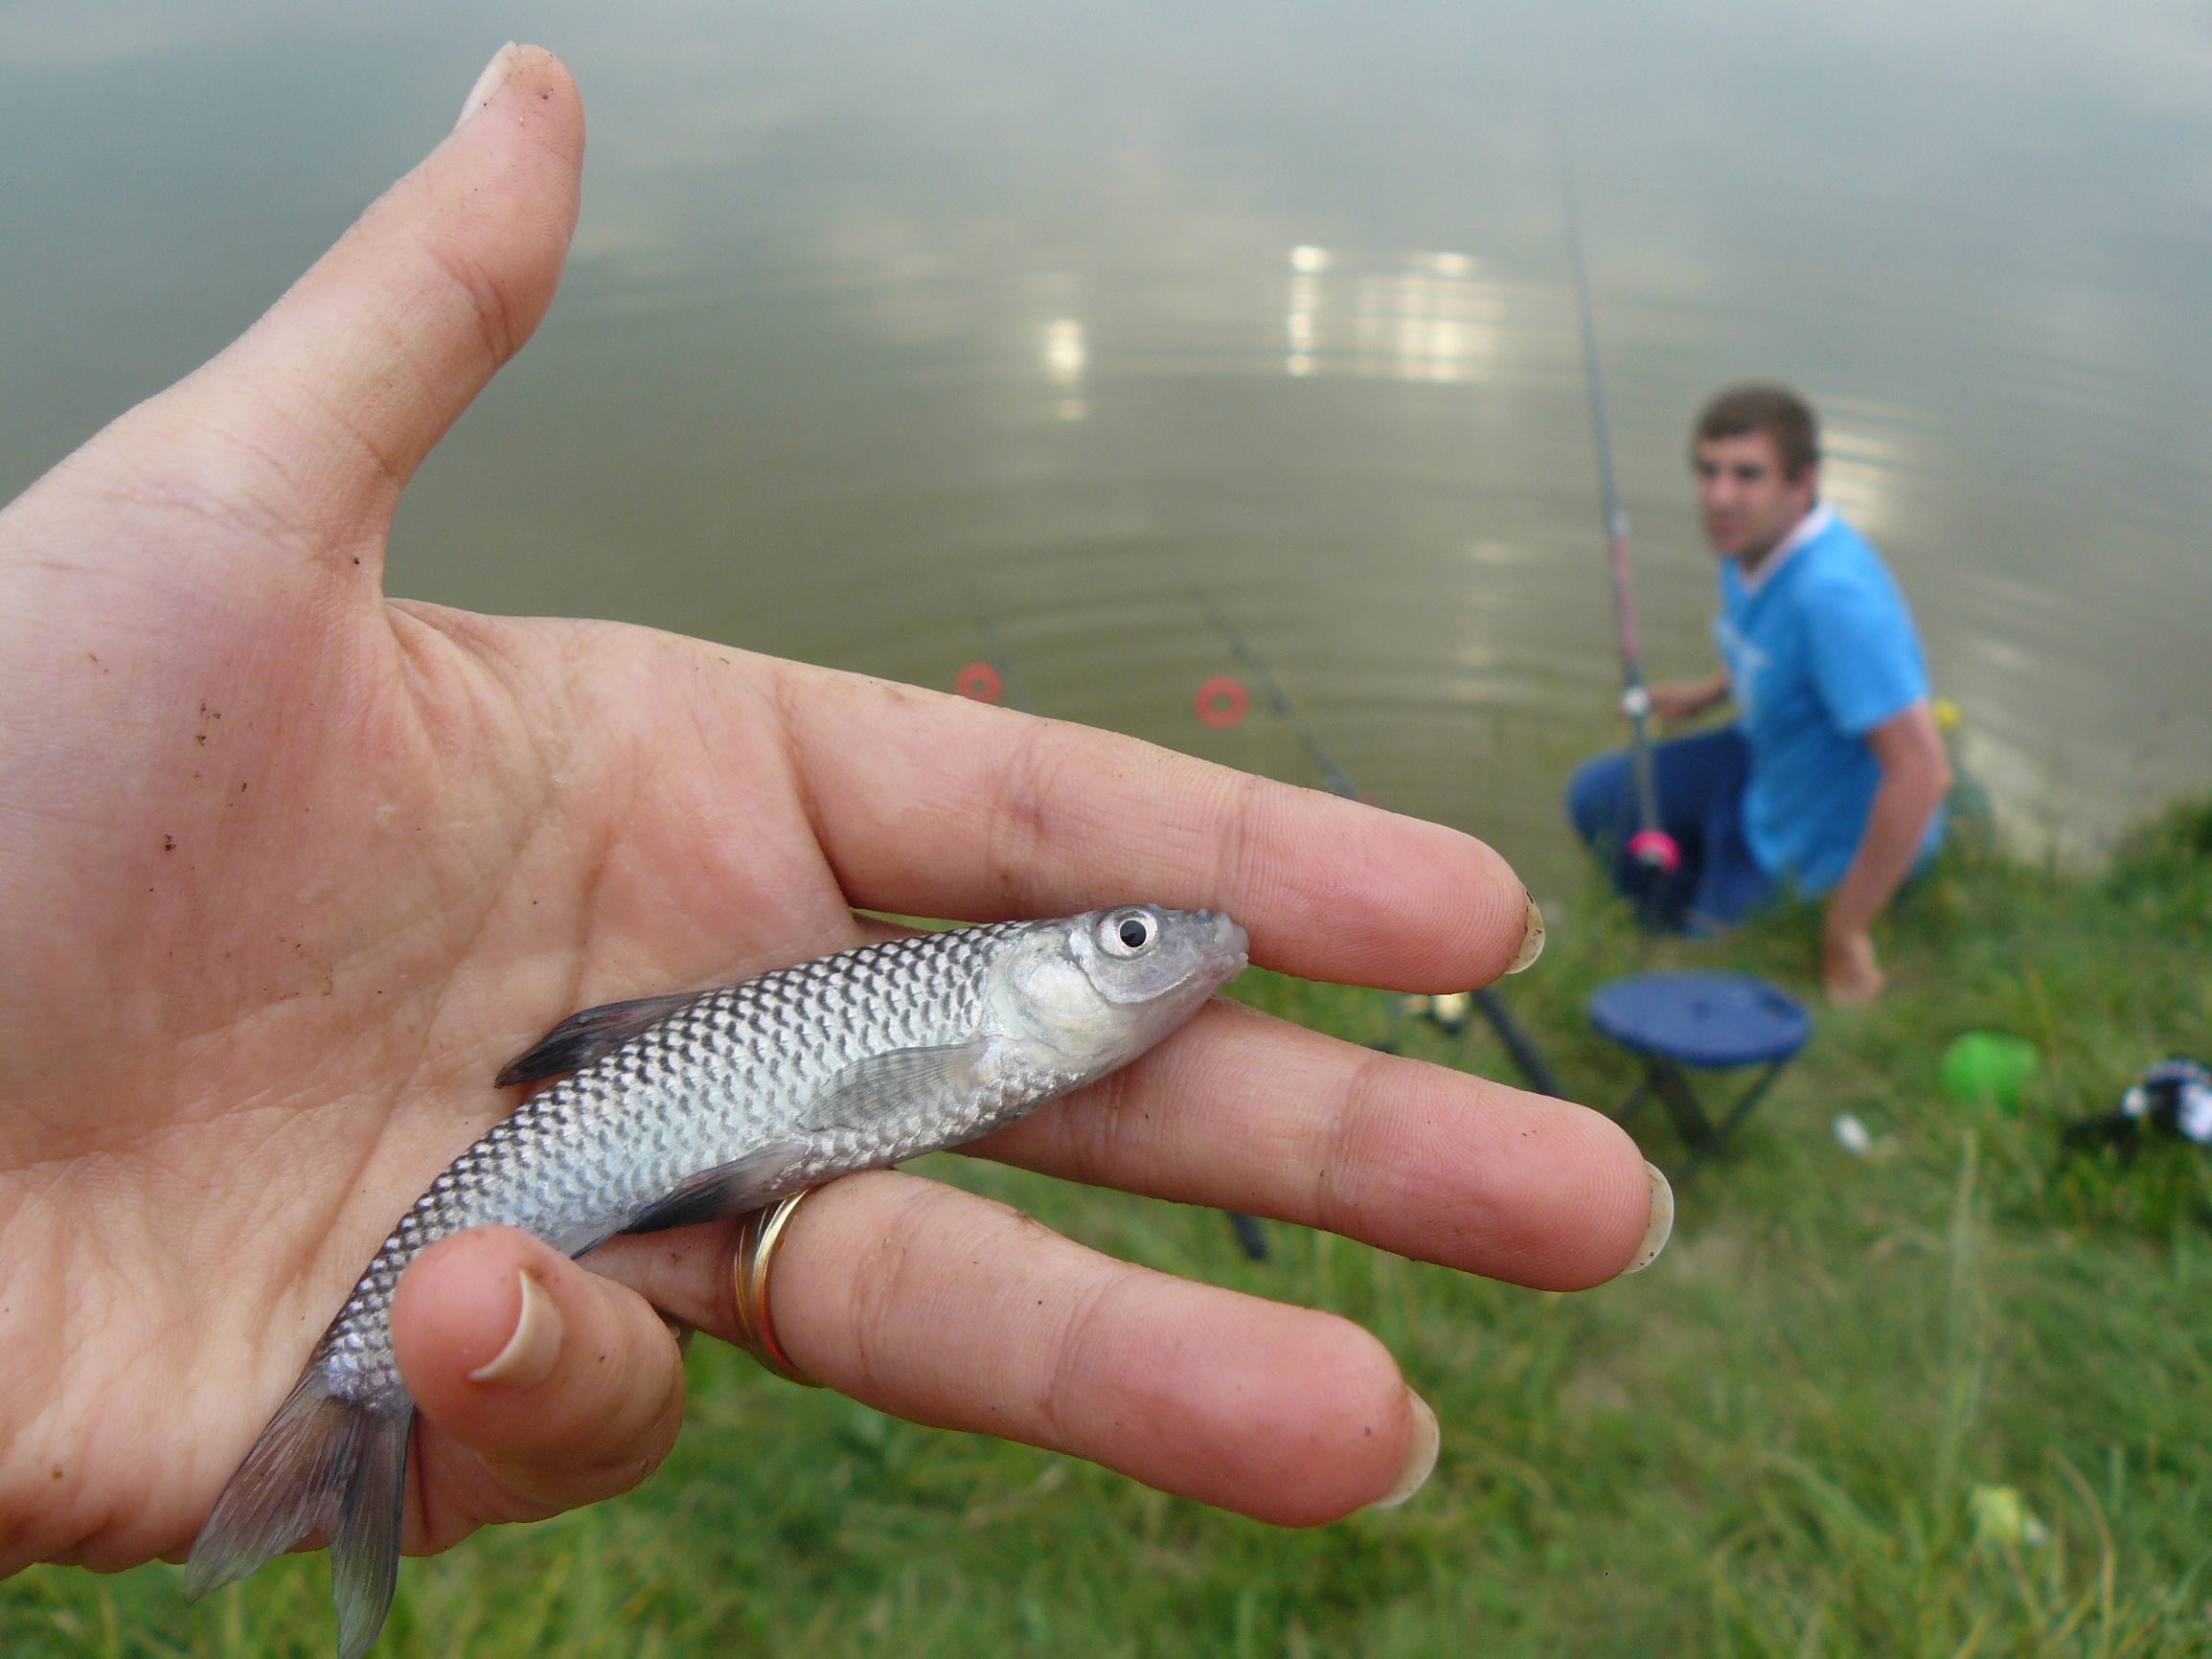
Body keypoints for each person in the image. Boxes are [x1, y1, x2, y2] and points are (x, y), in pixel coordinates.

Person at [0, 45, 1667, 1586]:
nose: (1167, 951)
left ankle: (357, 1397)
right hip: (560, 1167)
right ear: (1032, 973)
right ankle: (349, 1402)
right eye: (1128, 936)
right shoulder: (973, 1018)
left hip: (581, 1155)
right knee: (464, 1317)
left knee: (513, 1315)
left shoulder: (999, 1017)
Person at [1566, 383, 1951, 1005]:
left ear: (1801, 483)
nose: (1719, 497)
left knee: (1688, 986)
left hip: (1813, 835)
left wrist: (1844, 930)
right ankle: (1674, 914)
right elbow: (1775, 651)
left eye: (1747, 475)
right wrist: (1703, 694)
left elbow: (1921, 773)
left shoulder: (1832, 597)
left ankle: (1704, 927)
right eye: (1707, 471)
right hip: (1763, 767)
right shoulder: (1748, 544)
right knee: (1594, 798)